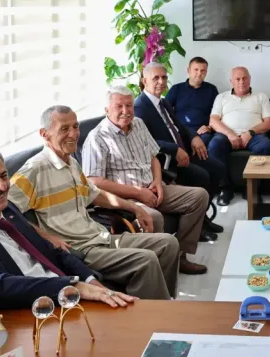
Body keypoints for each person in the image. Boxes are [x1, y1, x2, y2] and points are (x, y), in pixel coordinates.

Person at [9, 105, 179, 299]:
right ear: (44, 134)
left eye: (75, 127)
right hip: (79, 249)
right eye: (64, 129)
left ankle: (162, 304)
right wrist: (47, 238)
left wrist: (135, 208)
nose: (73, 134)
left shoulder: (71, 162)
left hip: (101, 237)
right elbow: (6, 211)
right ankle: (152, 317)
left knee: (169, 244)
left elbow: (95, 194)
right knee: (146, 259)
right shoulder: (34, 170)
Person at [0, 147, 137, 309]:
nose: (2, 186)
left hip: (70, 295)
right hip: (36, 311)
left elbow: (52, 251)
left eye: (3, 176)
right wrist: (74, 287)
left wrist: (92, 283)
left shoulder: (8, 211)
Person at [87, 85, 209, 275]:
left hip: (152, 187)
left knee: (199, 196)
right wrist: (138, 193)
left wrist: (158, 182)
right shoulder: (97, 138)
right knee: (154, 218)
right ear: (106, 109)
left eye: (129, 106)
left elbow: (153, 156)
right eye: (119, 106)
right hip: (127, 198)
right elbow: (95, 182)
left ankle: (180, 257)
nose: (125, 111)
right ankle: (158, 271)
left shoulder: (139, 124)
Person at [134, 62, 225, 235]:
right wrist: (174, 149)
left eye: (164, 77)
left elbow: (179, 125)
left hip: (184, 149)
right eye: (156, 78)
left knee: (218, 169)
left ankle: (202, 218)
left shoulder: (162, 102)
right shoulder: (140, 107)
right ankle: (197, 227)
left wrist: (194, 137)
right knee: (202, 176)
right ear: (145, 81)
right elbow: (145, 141)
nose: (161, 82)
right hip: (167, 159)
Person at [208, 66, 270, 205]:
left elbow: (269, 123)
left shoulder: (261, 97)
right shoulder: (221, 97)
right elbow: (213, 121)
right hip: (226, 135)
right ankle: (225, 189)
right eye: (237, 79)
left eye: (244, 78)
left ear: (250, 79)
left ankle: (251, 188)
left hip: (254, 135)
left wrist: (250, 133)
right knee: (214, 145)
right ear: (231, 81)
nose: (241, 82)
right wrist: (230, 134)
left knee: (266, 146)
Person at [165, 56, 220, 144]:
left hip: (202, 132)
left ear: (206, 72)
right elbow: (165, 111)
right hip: (180, 131)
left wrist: (209, 127)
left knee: (206, 142)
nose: (199, 73)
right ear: (188, 70)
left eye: (203, 71)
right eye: (196, 70)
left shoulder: (211, 90)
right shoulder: (176, 89)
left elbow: (218, 114)